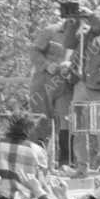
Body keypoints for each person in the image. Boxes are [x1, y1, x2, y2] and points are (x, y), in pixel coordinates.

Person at [64, 4, 100, 173]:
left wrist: (92, 15)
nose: (94, 17)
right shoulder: (86, 34)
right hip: (80, 84)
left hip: (99, 86)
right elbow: (68, 42)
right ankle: (82, 167)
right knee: (78, 128)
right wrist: (74, 21)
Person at [29, 21, 73, 151]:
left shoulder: (83, 34)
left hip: (66, 84)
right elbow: (34, 51)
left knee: (66, 121)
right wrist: (47, 64)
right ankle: (38, 159)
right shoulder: (51, 30)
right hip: (43, 83)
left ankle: (65, 162)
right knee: (41, 121)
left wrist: (71, 65)